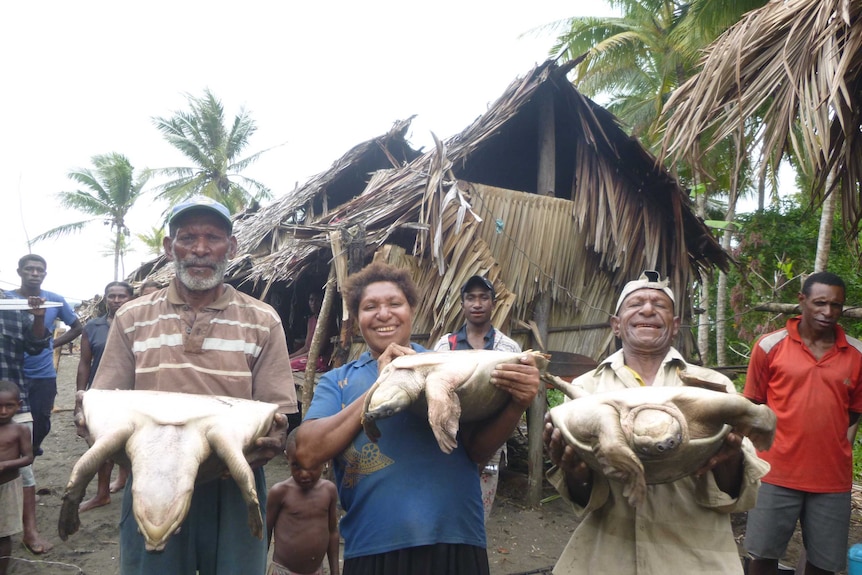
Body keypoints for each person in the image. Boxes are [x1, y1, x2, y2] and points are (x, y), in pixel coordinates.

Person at [90, 196, 298, 575]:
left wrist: (274, 435)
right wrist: (92, 419)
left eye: (213, 238)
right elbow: (106, 401)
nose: (200, 249)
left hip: (234, 483)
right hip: (152, 480)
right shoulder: (132, 316)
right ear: (169, 247)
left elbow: (277, 409)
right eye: (187, 238)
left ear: (232, 247)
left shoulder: (263, 320)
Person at [294, 261, 540, 575]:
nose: (384, 314)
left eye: (395, 304)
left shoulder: (449, 366)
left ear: (412, 311)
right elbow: (307, 452)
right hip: (373, 545)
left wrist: (517, 404)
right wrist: (383, 384)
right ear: (356, 320)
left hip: (456, 540)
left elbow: (476, 452)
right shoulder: (338, 382)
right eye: (370, 307)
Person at [543, 271, 769, 575]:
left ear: (675, 326)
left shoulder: (714, 388)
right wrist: (576, 473)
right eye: (636, 303)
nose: (647, 310)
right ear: (616, 324)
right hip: (606, 557)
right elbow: (584, 497)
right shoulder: (584, 390)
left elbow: (735, 495)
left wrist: (728, 461)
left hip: (696, 559)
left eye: (659, 305)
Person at [743, 271, 862, 575]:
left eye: (836, 305)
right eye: (820, 303)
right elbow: (754, 406)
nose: (828, 312)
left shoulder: (857, 353)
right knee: (761, 558)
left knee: (823, 564)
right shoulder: (770, 346)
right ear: (802, 301)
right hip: (774, 472)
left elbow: (852, 412)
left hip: (830, 479)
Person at [433, 274, 520, 521]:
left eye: (484, 297)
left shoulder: (508, 349)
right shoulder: (445, 346)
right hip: (449, 438)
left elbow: (514, 398)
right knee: (443, 508)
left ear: (493, 303)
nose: (477, 303)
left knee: (477, 515)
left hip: (489, 442)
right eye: (470, 298)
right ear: (462, 305)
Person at [12, 254, 83, 457]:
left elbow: (77, 327)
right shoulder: (6, 299)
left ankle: (32, 451)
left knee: (41, 419)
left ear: (45, 274)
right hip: (10, 371)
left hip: (42, 374)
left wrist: (50, 344)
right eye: (29, 269)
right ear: (19, 272)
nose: (34, 273)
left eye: (39, 270)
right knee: (9, 417)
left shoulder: (54, 300)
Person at [76, 281, 135, 511]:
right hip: (101, 393)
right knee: (101, 443)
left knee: (131, 441)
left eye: (122, 296)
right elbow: (84, 363)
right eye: (112, 296)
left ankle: (126, 483)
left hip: (134, 393)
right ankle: (101, 493)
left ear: (131, 298)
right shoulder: (93, 326)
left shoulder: (140, 324)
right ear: (105, 298)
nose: (117, 300)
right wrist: (80, 396)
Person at [266, 429, 340, 575]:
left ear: (325, 458)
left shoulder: (329, 491)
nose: (304, 474)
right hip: (284, 572)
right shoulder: (280, 492)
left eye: (312, 465)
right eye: (296, 465)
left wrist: (335, 571)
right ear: (287, 458)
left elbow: (332, 532)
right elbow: (265, 534)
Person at [0, 380, 34, 575]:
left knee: (3, 535)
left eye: (9, 406)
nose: (3, 411)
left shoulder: (19, 430)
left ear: (18, 406)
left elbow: (28, 458)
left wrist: (5, 465)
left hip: (7, 487)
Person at [290, 292, 330, 373]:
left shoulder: (327, 321)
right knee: (286, 362)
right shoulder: (311, 320)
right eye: (311, 300)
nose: (313, 303)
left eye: (317, 300)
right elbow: (306, 347)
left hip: (321, 360)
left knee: (288, 365)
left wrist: (292, 359)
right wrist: (288, 357)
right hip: (308, 356)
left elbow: (319, 351)